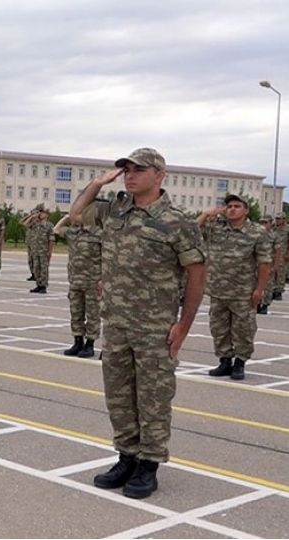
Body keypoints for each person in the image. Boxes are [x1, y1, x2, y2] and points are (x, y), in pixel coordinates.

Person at [70, 147, 206, 500]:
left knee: (154, 398)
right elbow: (76, 213)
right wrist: (98, 183)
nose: (130, 175)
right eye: (126, 169)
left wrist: (184, 325)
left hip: (155, 327)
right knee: (119, 396)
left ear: (159, 175)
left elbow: (196, 272)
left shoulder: (177, 220)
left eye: (138, 169)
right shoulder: (115, 211)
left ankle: (149, 464)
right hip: (115, 324)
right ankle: (127, 456)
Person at [197, 195, 271, 381]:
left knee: (243, 329)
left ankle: (240, 363)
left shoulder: (257, 232)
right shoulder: (216, 228)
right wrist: (205, 214)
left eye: (237, 206)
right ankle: (224, 361)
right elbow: (191, 232)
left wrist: (259, 289)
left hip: (243, 291)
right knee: (218, 328)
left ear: (246, 210)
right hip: (218, 290)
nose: (231, 209)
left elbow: (264, 262)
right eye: (229, 206)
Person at [53, 214, 102, 357]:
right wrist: (67, 217)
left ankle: (90, 344)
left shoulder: (99, 233)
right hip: (75, 280)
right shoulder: (73, 232)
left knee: (93, 314)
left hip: (92, 281)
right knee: (76, 313)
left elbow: (108, 256)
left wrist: (103, 278)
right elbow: (56, 230)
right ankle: (77, 341)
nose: (76, 215)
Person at [22, 204, 54, 293]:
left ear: (47, 214)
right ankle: (38, 284)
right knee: (36, 268)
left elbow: (51, 240)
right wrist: (32, 216)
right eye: (41, 213)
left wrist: (49, 251)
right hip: (35, 250)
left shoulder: (49, 225)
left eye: (43, 213)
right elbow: (24, 224)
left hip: (43, 250)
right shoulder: (35, 223)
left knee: (43, 268)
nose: (41, 214)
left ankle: (43, 286)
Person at [257, 215, 280, 315]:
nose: (263, 225)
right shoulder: (256, 234)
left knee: (268, 285)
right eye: (261, 223)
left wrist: (275, 266)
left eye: (265, 223)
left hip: (268, 263)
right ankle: (257, 304)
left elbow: (277, 251)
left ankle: (265, 305)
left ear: (271, 223)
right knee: (255, 284)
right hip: (256, 263)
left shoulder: (274, 236)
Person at [275, 215, 289, 301]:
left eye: (279, 219)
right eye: (276, 218)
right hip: (274, 254)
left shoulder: (287, 230)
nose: (277, 220)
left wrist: (288, 253)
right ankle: (273, 289)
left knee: (281, 273)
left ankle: (279, 291)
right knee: (273, 273)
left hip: (283, 254)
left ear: (284, 219)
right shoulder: (274, 228)